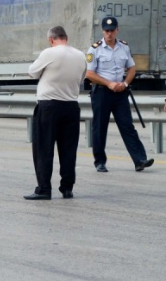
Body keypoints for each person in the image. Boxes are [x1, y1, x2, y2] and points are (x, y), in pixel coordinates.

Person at [23, 26, 87, 201]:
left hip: (49, 106)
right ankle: (67, 188)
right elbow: (81, 79)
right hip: (71, 107)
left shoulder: (49, 53)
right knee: (68, 150)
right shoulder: (80, 56)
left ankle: (44, 189)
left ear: (51, 39)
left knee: (44, 149)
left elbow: (32, 72)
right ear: (66, 37)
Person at [86, 16, 154, 173]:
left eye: (112, 30)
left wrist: (124, 84)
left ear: (117, 30)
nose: (109, 33)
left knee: (127, 126)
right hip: (102, 92)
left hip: (120, 92)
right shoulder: (94, 49)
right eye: (106, 30)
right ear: (103, 31)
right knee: (100, 128)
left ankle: (139, 160)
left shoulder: (124, 47)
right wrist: (109, 83)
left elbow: (131, 69)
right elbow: (90, 74)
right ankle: (100, 162)